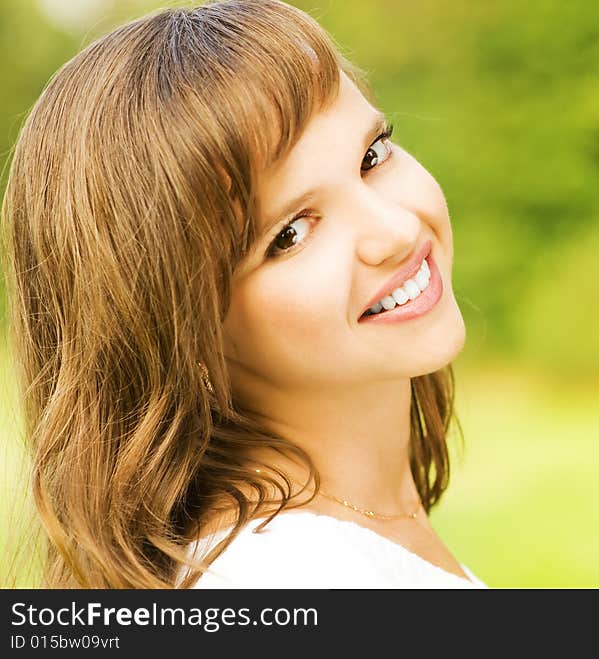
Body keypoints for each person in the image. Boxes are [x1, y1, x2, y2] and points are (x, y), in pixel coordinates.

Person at [1, 0, 485, 588]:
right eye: (291, 233)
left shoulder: (338, 545)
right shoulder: (289, 576)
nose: (398, 231)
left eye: (371, 156)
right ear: (178, 331)